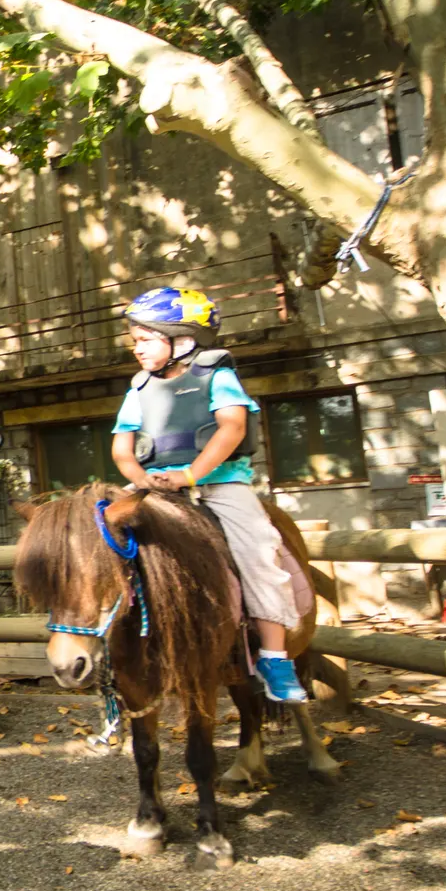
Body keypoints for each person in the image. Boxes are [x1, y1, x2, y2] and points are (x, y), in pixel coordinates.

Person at [112, 286, 306, 703]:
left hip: (219, 483)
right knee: (105, 531)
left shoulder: (216, 375)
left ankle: (275, 656)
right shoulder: (139, 388)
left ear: (181, 339)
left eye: (145, 340)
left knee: (259, 548)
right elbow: (122, 449)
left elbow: (231, 428)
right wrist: (140, 480)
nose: (137, 350)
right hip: (154, 485)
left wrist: (191, 474)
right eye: (135, 342)